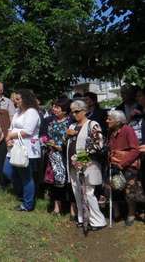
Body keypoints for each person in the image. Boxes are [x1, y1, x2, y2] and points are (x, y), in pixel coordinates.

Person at [66, 100, 106, 230]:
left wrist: (81, 158)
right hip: (72, 165)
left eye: (77, 111)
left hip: (88, 165)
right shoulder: (71, 126)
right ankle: (82, 218)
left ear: (84, 111)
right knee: (77, 192)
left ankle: (98, 221)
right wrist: (66, 135)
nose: (74, 114)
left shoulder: (92, 124)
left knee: (89, 192)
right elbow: (63, 142)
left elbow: (99, 144)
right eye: (72, 112)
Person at [4, 89, 41, 212]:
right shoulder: (18, 112)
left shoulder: (32, 112)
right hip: (14, 147)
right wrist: (9, 137)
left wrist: (11, 136)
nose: (16, 101)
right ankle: (23, 194)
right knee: (8, 171)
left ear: (26, 99)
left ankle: (28, 204)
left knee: (26, 177)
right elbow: (11, 127)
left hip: (26, 149)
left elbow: (28, 131)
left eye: (18, 99)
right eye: (15, 99)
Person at [107, 110, 145, 226]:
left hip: (128, 165)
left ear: (118, 121)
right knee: (117, 188)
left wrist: (123, 162)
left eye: (110, 119)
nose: (107, 120)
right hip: (115, 164)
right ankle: (119, 213)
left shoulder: (128, 130)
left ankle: (131, 214)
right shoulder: (111, 131)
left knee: (131, 192)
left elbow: (135, 150)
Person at [42, 98, 73, 216]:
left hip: (66, 156)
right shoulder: (50, 121)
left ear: (65, 110)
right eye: (53, 106)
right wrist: (47, 141)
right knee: (55, 183)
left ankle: (72, 209)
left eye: (57, 107)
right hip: (53, 156)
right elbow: (44, 135)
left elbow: (71, 140)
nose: (54, 109)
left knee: (69, 183)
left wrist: (60, 146)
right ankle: (57, 208)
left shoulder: (70, 123)